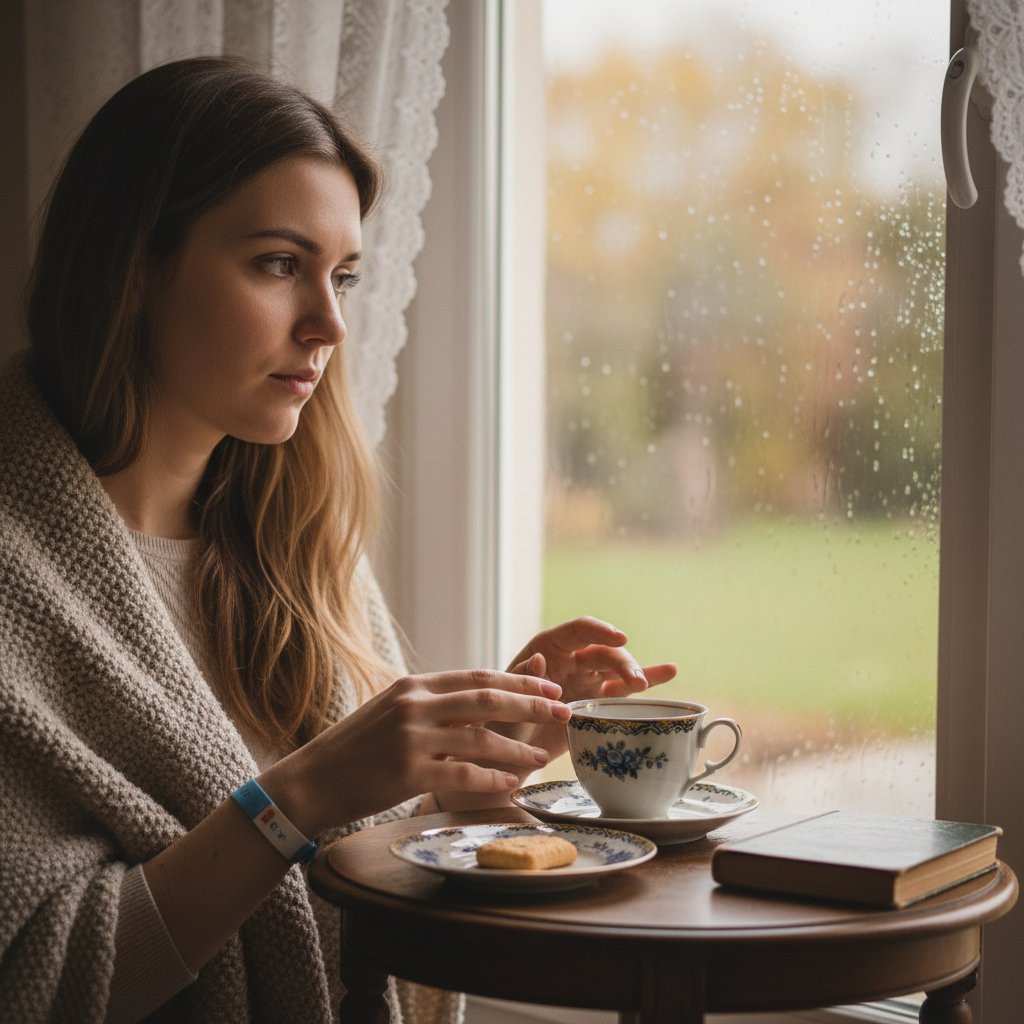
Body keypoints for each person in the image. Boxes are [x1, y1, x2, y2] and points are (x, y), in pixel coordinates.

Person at [0, 56, 676, 1023]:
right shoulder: (14, 578)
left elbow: (356, 899)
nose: (328, 324)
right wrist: (307, 790)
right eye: (279, 264)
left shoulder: (300, 551)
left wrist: (469, 769)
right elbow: (38, 982)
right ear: (135, 266)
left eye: (343, 275)